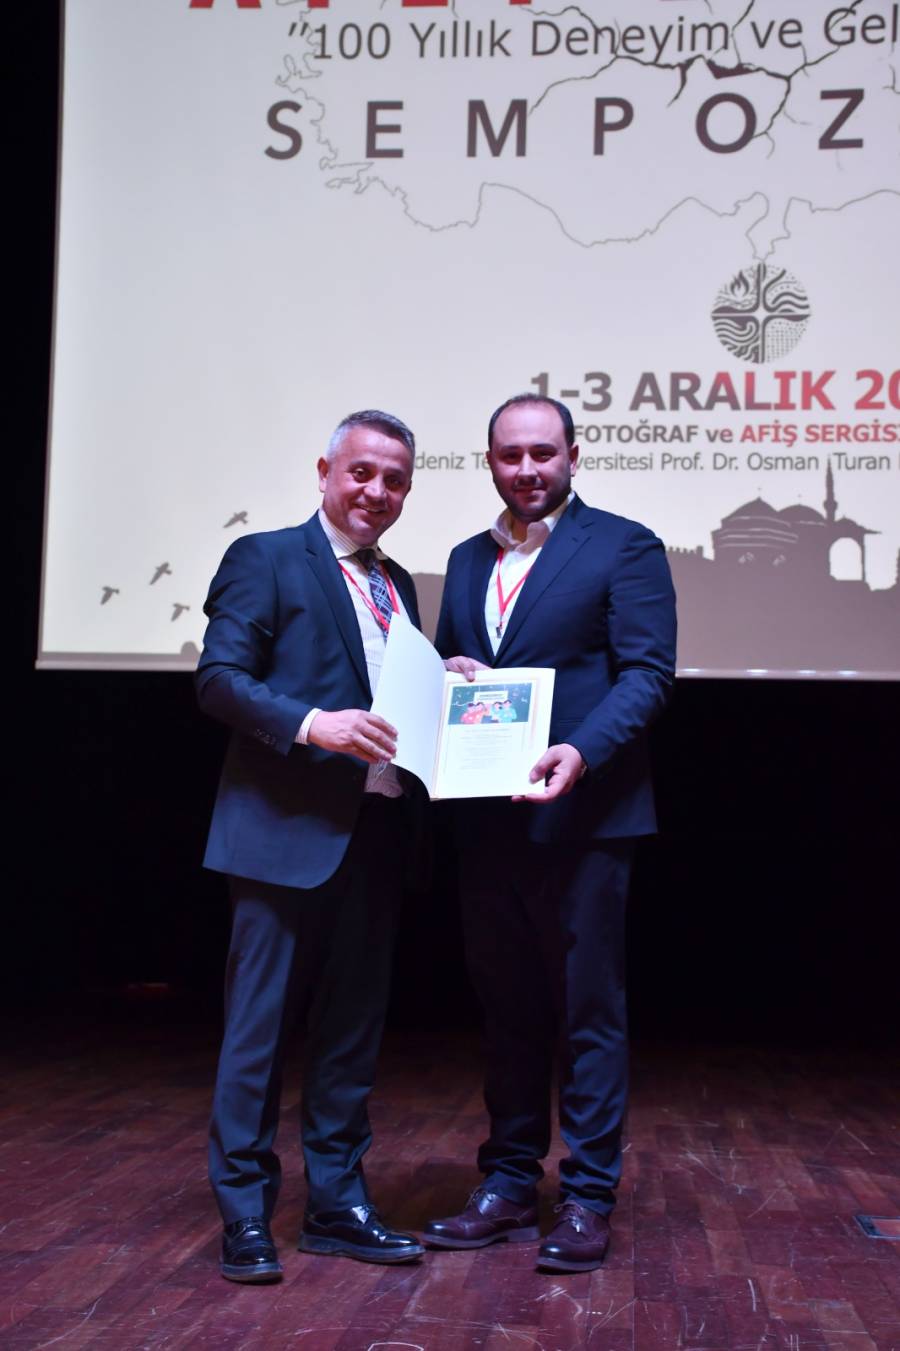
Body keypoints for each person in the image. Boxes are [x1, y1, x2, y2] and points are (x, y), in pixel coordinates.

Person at [425, 394, 676, 1272]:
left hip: (586, 817)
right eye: (510, 455)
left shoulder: (625, 545)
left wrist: (583, 750)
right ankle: (506, 1183)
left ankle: (588, 1196)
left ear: (573, 454)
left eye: (542, 452)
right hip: (487, 821)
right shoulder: (466, 558)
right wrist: (449, 671)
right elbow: (459, 667)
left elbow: (647, 675)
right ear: (489, 462)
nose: (526, 468)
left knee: (587, 1013)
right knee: (507, 1010)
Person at [197, 409, 426, 1282]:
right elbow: (219, 679)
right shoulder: (264, 557)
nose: (376, 490)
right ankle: (245, 1215)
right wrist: (310, 723)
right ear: (325, 470)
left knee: (349, 1036)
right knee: (257, 1036)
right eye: (361, 471)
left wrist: (444, 679)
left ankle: (336, 1204)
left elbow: (386, 694)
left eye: (394, 479)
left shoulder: (397, 584)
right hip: (279, 836)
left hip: (376, 835)